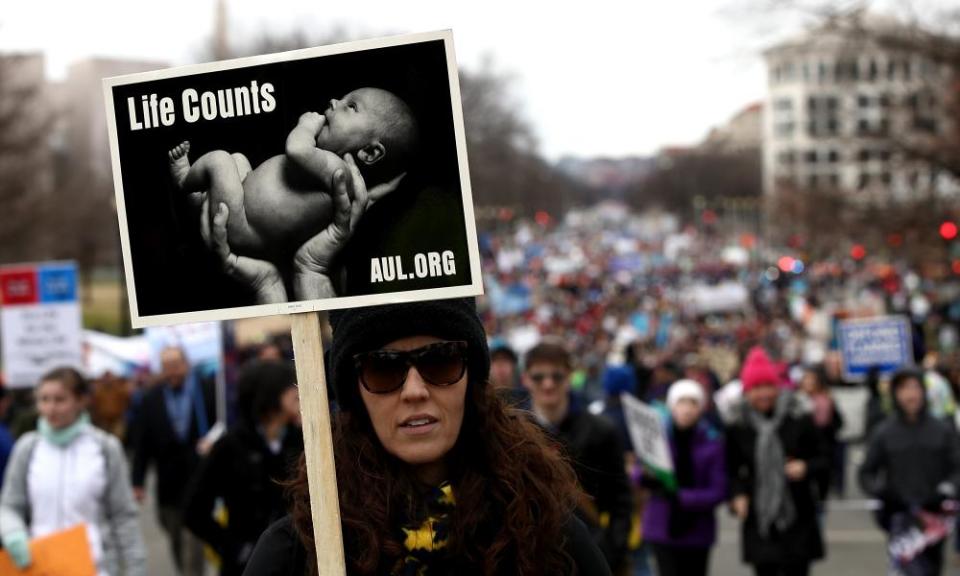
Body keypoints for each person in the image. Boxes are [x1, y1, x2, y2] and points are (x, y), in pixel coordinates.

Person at [244, 298, 611, 575]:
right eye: (383, 369)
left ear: (471, 380)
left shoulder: (547, 534)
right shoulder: (299, 552)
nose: (415, 390)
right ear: (355, 392)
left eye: (441, 361)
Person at [169, 87, 418, 258]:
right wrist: (391, 185)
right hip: (245, 209)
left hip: (243, 227)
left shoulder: (336, 169)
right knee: (239, 160)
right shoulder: (350, 185)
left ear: (370, 153)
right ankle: (203, 200)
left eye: (351, 106)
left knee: (221, 160)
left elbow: (296, 148)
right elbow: (372, 197)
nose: (334, 102)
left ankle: (184, 179)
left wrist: (305, 126)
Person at [0, 367, 146, 575]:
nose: (50, 408)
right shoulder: (28, 448)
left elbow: (123, 516)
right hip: (40, 566)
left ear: (81, 401)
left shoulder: (104, 448)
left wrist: (136, 569)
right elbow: (9, 505)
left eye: (60, 400)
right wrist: (13, 532)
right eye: (44, 399)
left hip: (95, 567)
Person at [184, 360, 303, 576]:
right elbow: (193, 510)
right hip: (246, 566)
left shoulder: (301, 439)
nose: (299, 398)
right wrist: (233, 548)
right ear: (271, 397)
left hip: (296, 562)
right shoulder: (230, 446)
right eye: (292, 393)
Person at [522, 341, 633, 573]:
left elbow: (620, 501)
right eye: (539, 377)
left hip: (591, 555)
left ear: (570, 377)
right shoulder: (512, 432)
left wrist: (609, 551)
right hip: (531, 558)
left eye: (557, 376)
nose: (548, 384)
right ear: (525, 379)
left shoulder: (601, 430)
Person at [726, 347, 826, 576]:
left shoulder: (798, 416)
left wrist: (806, 467)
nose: (763, 394)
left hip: (797, 514)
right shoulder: (738, 423)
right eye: (756, 388)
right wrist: (737, 495)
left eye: (768, 387)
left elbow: (824, 457)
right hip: (760, 518)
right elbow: (731, 468)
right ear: (747, 391)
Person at [859, 369, 960, 576]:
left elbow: (957, 468)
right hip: (900, 519)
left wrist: (946, 491)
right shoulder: (884, 432)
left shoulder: (943, 430)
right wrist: (882, 492)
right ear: (895, 393)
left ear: (923, 391)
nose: (910, 394)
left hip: (934, 519)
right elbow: (866, 472)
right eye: (904, 388)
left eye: (915, 387)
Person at [131, 346, 216, 576]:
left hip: (199, 481)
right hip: (168, 486)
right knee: (176, 539)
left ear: (186, 364)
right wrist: (137, 481)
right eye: (167, 367)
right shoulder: (152, 398)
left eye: (176, 365)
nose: (172, 372)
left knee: (192, 543)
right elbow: (142, 442)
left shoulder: (205, 391)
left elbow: (222, 426)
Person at [641, 380, 726, 576]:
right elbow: (639, 471)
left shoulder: (712, 442)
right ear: (672, 406)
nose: (687, 409)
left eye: (693, 403)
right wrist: (646, 476)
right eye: (681, 402)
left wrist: (682, 497)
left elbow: (718, 490)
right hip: (661, 527)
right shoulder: (657, 438)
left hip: (697, 531)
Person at [797, 365, 844, 501]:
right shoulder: (796, 401)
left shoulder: (827, 400)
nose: (809, 383)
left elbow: (837, 422)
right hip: (804, 450)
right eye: (806, 380)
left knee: (822, 487)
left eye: (812, 380)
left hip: (823, 448)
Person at [488, 340, 528, 408]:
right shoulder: (481, 400)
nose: (500, 364)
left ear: (514, 366)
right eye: (495, 360)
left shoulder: (526, 398)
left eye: (505, 360)